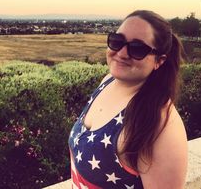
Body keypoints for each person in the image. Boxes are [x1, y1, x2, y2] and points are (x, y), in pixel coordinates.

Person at [68, 10, 188, 189]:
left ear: (159, 61)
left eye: (137, 48)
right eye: (117, 41)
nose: (122, 53)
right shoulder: (107, 81)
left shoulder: (160, 123)